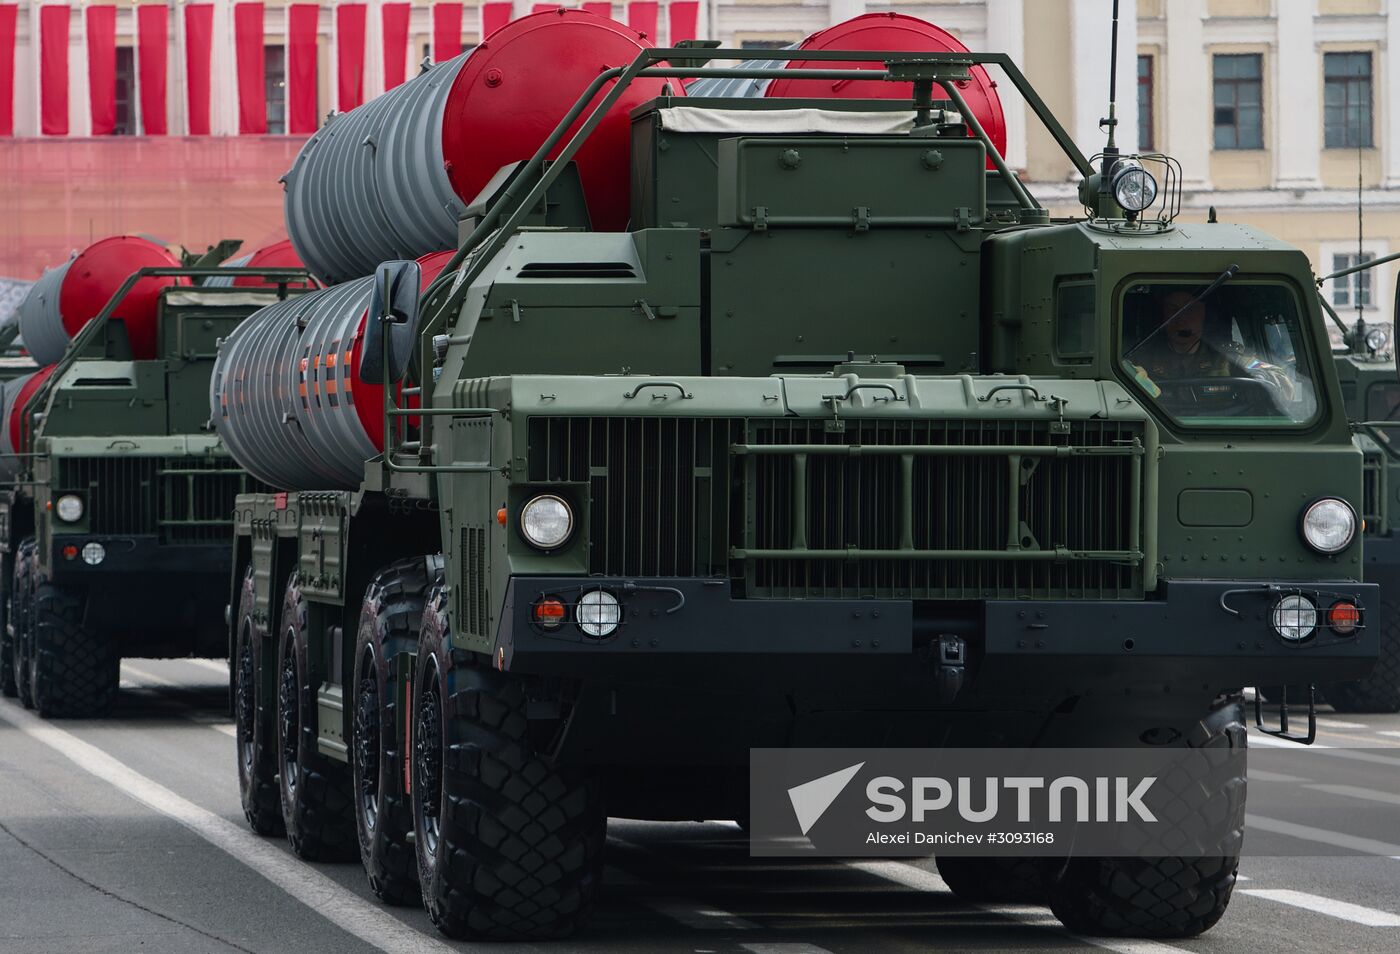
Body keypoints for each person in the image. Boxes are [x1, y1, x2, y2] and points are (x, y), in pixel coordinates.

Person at [1125, 288, 1293, 402]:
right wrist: (1131, 377)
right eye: (1173, 309)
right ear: (1162, 314)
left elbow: (1280, 379)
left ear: (1204, 315)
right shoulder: (1141, 359)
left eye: (1190, 309)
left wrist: (1262, 378)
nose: (1181, 318)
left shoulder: (1228, 357)